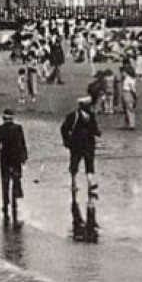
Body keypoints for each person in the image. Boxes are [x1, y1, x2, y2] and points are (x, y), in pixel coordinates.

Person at [60, 96, 101, 238]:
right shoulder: (85, 116)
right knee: (86, 165)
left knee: (79, 165)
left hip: (78, 144)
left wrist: (67, 141)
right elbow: (96, 130)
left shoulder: (76, 115)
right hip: (85, 144)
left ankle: (77, 184)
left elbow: (64, 128)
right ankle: (87, 184)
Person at [0, 108, 29, 225]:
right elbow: (22, 143)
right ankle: (15, 204)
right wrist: (24, 157)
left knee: (5, 183)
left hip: (5, 159)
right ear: (12, 118)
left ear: (3, 118)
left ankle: (5, 205)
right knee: (16, 180)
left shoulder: (0, 129)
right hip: (15, 158)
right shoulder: (18, 128)